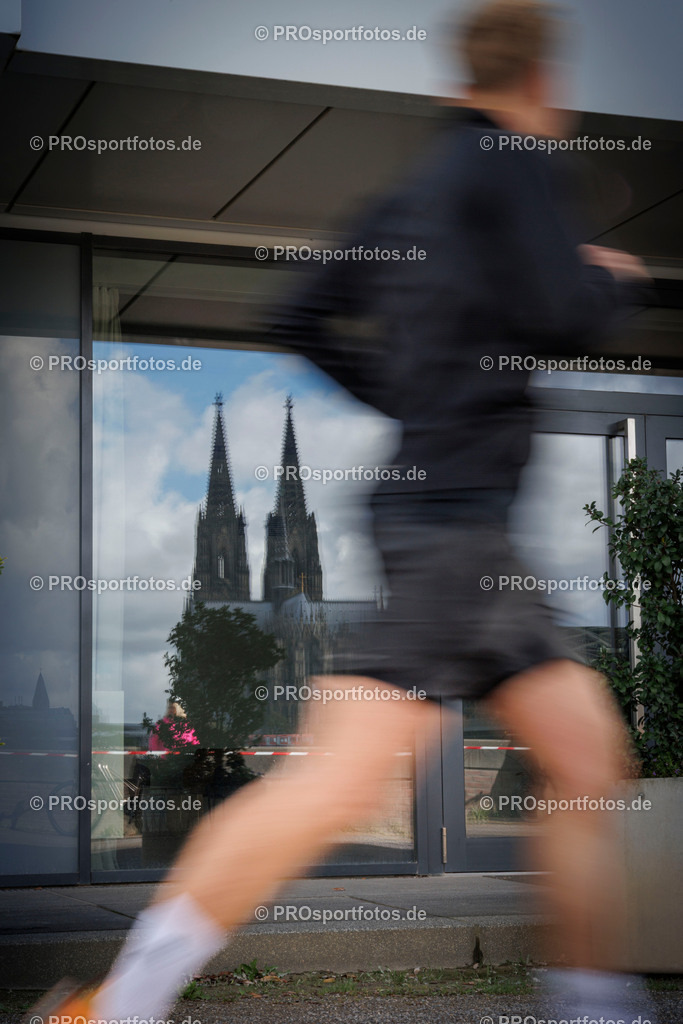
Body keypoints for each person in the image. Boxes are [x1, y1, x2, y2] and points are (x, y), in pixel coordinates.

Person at [45, 3, 655, 1023]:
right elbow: (557, 311)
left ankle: (594, 1000)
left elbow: (293, 314)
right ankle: (117, 1006)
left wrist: (408, 393)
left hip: (454, 527)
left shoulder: (414, 190)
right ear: (540, 81)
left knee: (585, 761)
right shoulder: (517, 163)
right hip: (460, 532)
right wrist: (609, 280)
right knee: (331, 787)